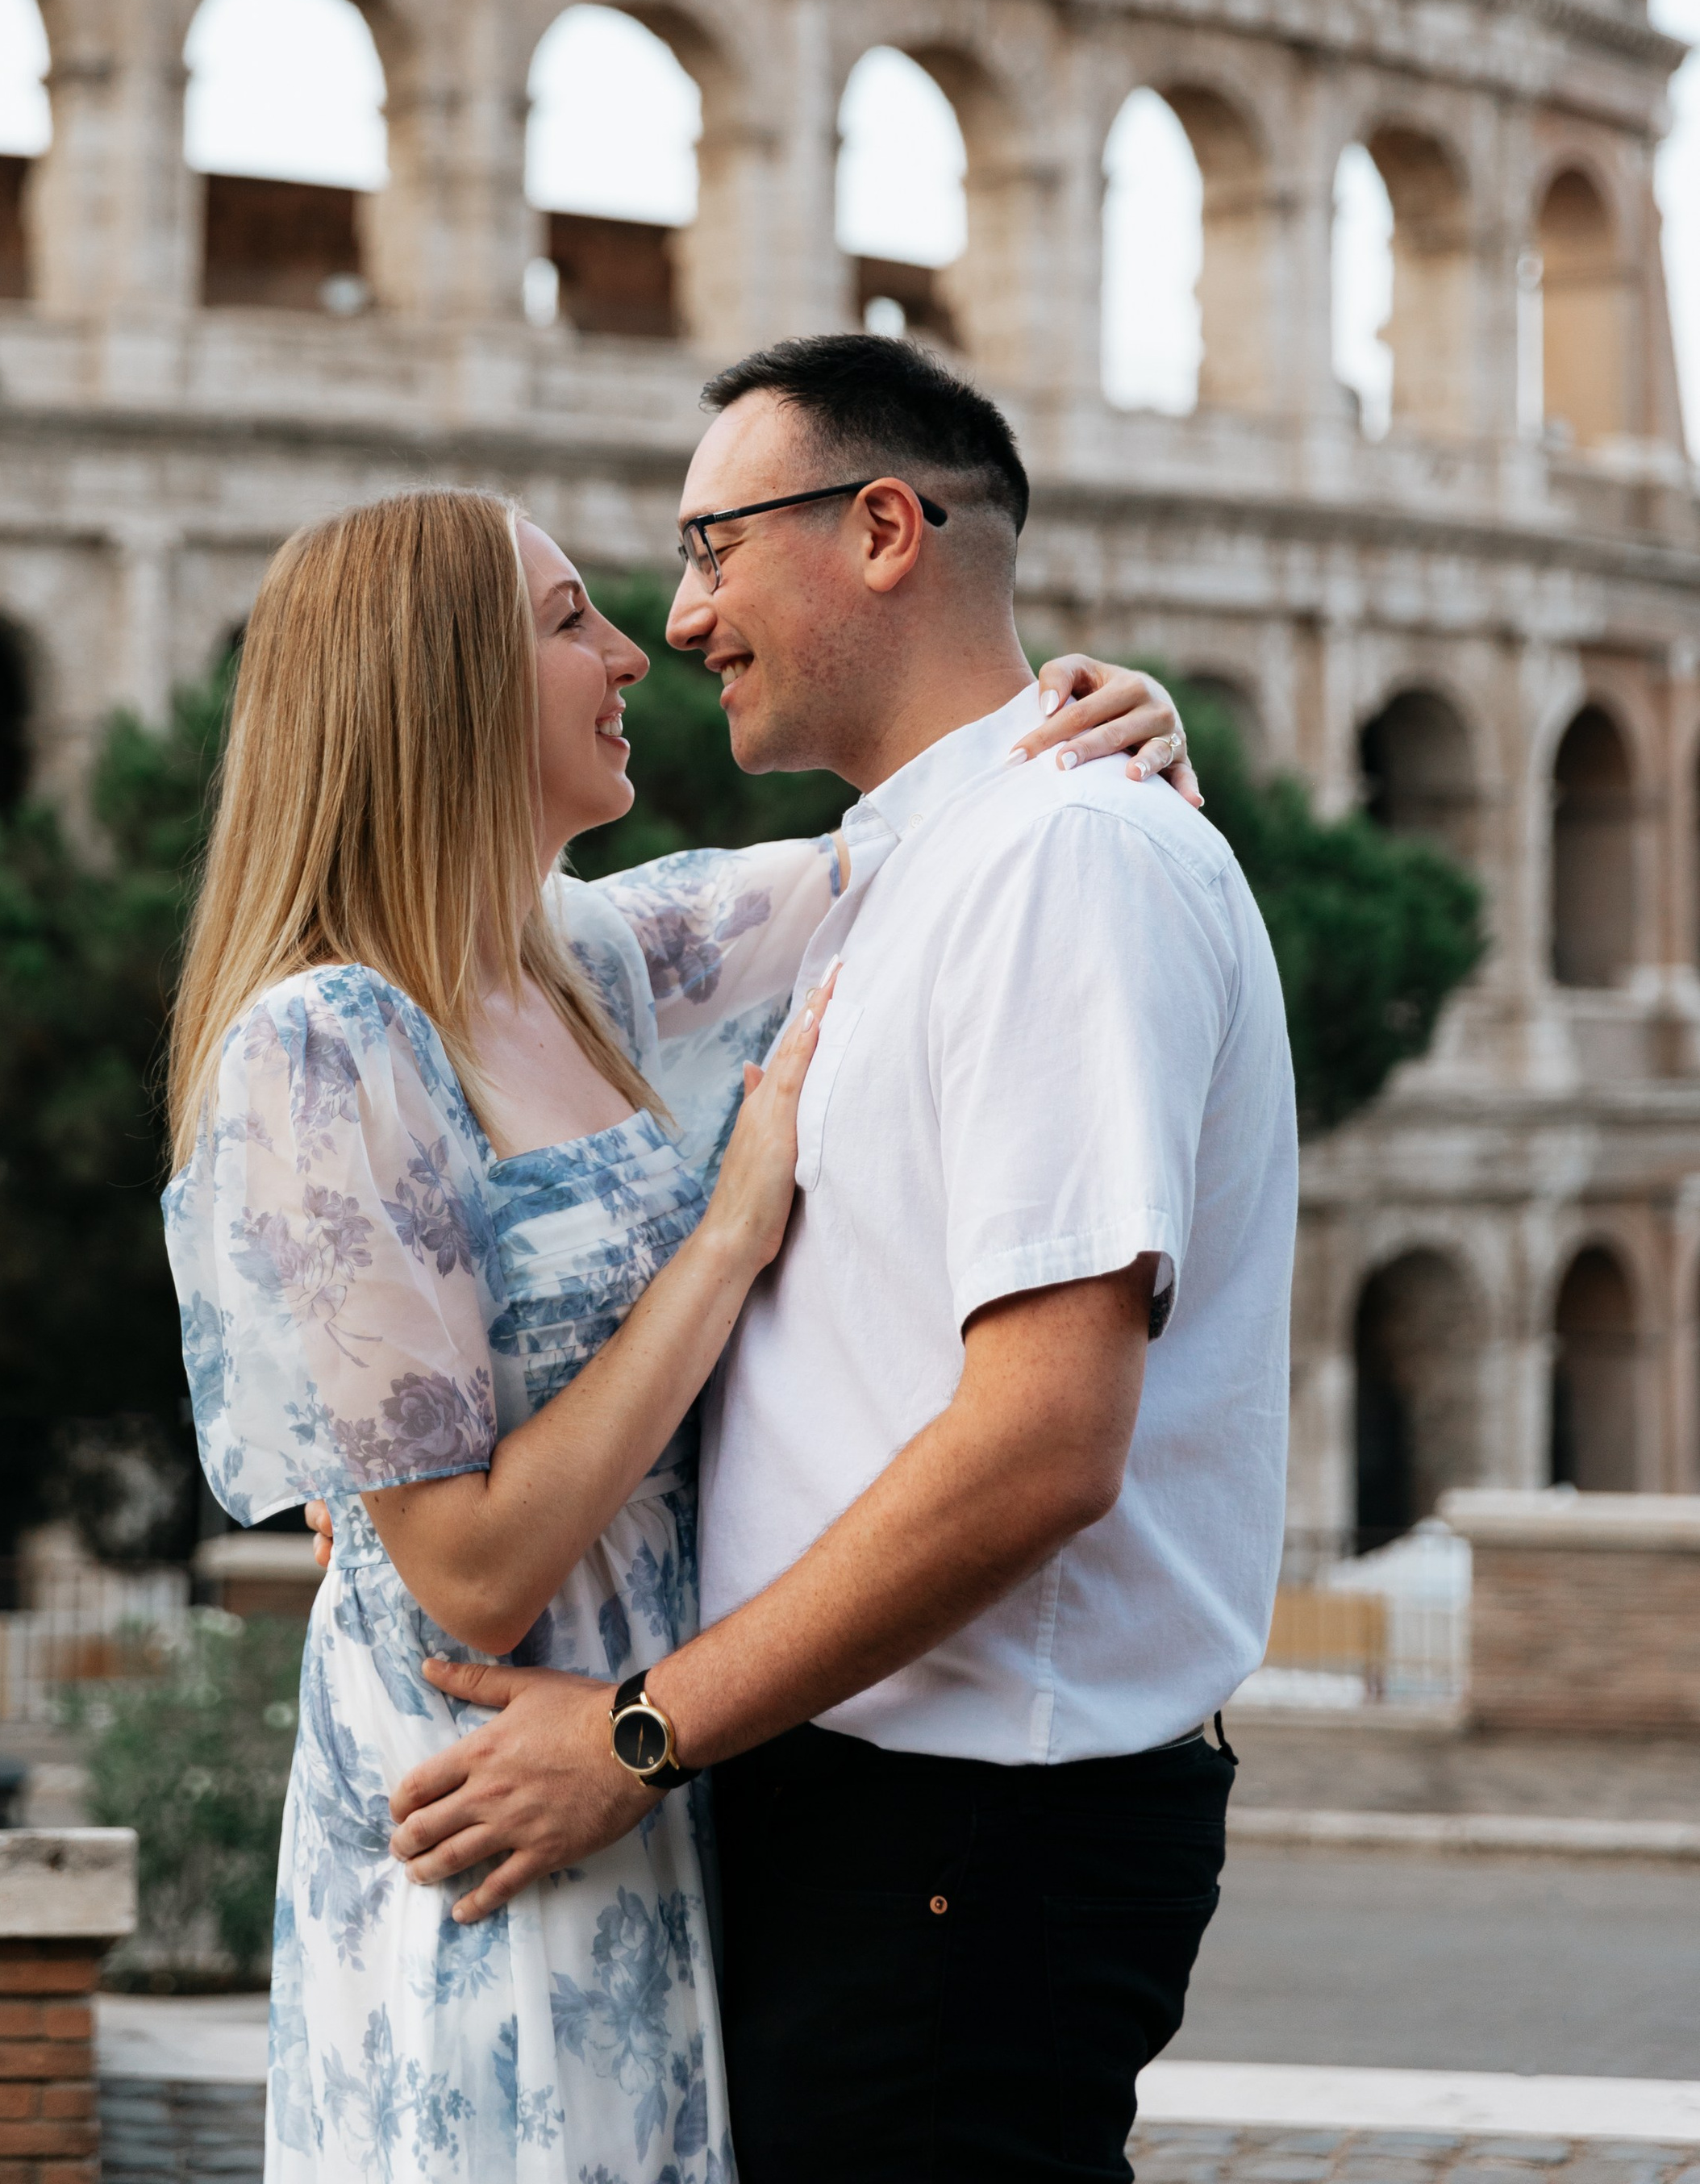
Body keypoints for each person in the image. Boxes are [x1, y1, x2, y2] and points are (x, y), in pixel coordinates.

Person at [164, 473, 1195, 2184]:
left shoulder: (587, 957)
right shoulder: (325, 1043)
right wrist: (725, 1239)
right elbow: (468, 1569)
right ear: (441, 688)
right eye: (570, 620)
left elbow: (922, 850)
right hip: (488, 1780)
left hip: (657, 1758)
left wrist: (1101, 719)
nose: (634, 651)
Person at [381, 336, 1301, 2184]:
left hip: (966, 1823)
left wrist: (633, 1739)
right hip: (880, 1798)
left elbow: (1043, 1438)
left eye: (713, 544)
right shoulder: (906, 872)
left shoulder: (1059, 861)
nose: (681, 612)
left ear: (882, 528)